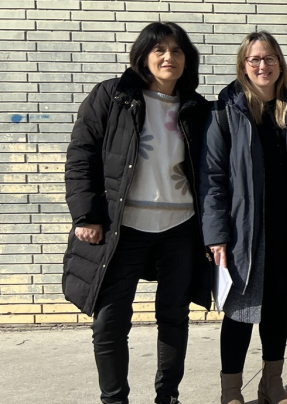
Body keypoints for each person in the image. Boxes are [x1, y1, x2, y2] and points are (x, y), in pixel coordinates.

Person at [62, 21, 212, 404]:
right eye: (160, 49)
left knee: (174, 316)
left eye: (177, 51)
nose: (168, 57)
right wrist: (86, 215)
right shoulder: (112, 96)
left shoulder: (195, 107)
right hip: (121, 227)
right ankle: (114, 399)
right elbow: (81, 156)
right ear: (143, 55)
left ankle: (168, 396)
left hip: (180, 226)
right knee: (110, 322)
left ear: (187, 59)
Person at [200, 31, 287, 404]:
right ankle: (231, 391)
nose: (262, 65)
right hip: (243, 233)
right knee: (239, 312)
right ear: (243, 65)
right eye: (254, 59)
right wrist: (216, 233)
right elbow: (213, 177)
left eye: (269, 58)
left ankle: (271, 383)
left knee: (276, 309)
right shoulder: (225, 111)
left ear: (279, 64)